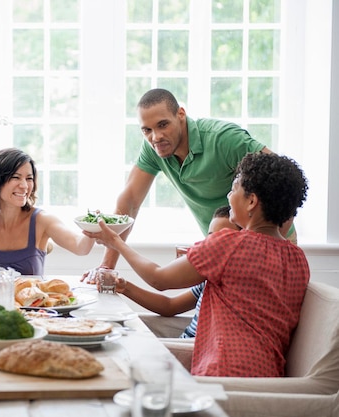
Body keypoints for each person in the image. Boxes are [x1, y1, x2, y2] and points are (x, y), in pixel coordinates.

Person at [86, 152, 309, 377]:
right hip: (268, 375)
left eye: (233, 189)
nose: (229, 196)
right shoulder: (298, 259)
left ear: (251, 201)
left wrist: (115, 241)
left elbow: (159, 279)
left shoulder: (229, 244)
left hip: (223, 371)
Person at [88, 88, 296, 279]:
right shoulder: (153, 148)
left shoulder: (224, 140)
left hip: (272, 245)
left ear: (181, 114)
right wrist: (107, 266)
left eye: (163, 125)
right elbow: (130, 201)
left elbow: (285, 182)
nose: (156, 137)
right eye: (146, 130)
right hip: (222, 248)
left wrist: (270, 247)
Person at [0, 148, 96, 275]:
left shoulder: (42, 220)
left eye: (29, 178)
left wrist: (94, 224)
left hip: (32, 301)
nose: (24, 186)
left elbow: (80, 247)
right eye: (16, 177)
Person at [122, 206, 241, 340]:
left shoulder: (234, 284)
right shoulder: (207, 280)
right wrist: (124, 287)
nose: (213, 245)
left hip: (193, 350)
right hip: (182, 340)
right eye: (211, 238)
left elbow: (158, 280)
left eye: (222, 239)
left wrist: (116, 242)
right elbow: (169, 306)